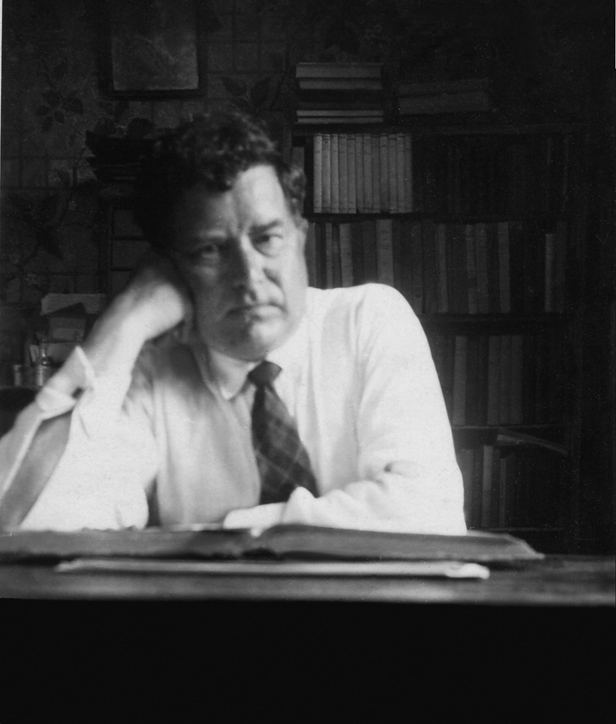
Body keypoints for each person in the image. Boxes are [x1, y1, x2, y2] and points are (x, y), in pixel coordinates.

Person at [0, 111, 466, 534]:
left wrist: (226, 532)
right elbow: (34, 526)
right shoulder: (152, 373)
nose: (248, 275)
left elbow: (428, 514)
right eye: (210, 250)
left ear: (300, 237)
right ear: (171, 269)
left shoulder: (370, 320)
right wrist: (123, 322)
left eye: (267, 238)